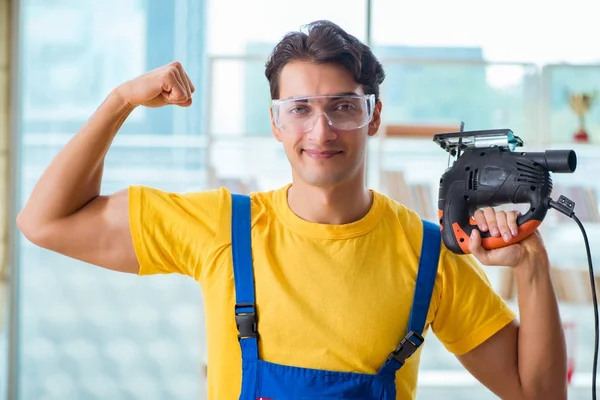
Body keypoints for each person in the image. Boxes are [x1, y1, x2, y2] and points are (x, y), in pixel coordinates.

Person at [17, 20, 567, 400]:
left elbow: (538, 393)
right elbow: (45, 221)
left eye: (343, 108)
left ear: (373, 117)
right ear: (276, 122)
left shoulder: (428, 253)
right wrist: (121, 100)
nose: (321, 131)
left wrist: (532, 264)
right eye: (299, 109)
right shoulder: (220, 229)